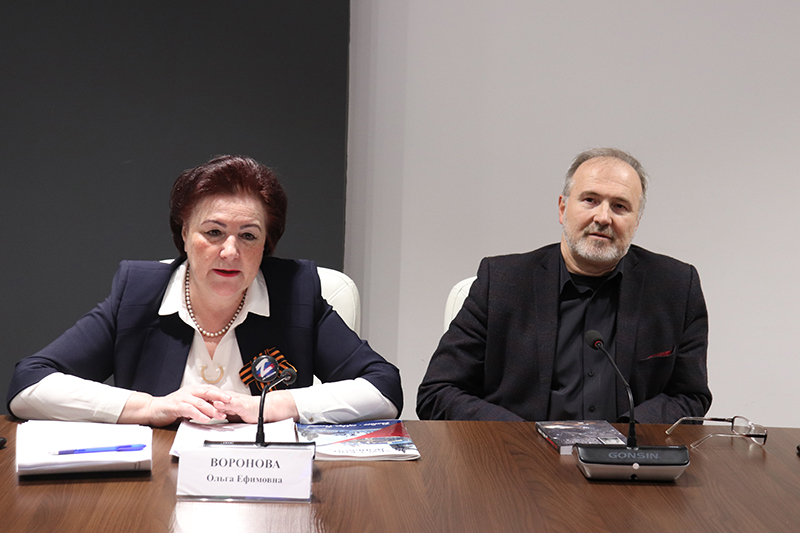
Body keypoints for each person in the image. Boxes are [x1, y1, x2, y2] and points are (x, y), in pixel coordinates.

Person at [7, 155, 402, 426]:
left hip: (267, 481)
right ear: (184, 234)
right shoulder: (139, 293)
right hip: (156, 489)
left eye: (248, 235)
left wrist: (273, 405)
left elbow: (383, 388)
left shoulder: (296, 293)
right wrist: (150, 407)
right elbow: (30, 383)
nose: (230, 251)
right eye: (213, 232)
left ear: (266, 245)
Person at [416, 148, 711, 424]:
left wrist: (624, 436)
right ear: (562, 208)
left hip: (628, 456)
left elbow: (690, 396)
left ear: (637, 220)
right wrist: (522, 438)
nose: (603, 217)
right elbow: (438, 392)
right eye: (590, 200)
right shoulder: (502, 282)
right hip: (519, 455)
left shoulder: (675, 288)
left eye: (620, 206)